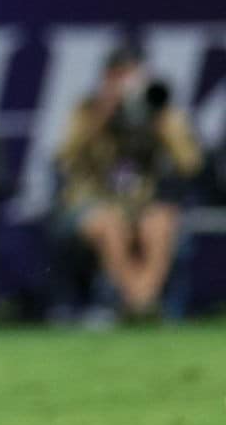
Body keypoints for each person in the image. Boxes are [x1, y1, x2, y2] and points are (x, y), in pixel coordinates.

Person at [55, 46, 202, 318]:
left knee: (159, 223)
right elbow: (65, 158)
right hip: (92, 201)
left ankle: (138, 302)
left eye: (132, 75)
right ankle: (143, 304)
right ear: (107, 77)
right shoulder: (87, 109)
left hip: (141, 202)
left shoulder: (157, 109)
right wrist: (102, 115)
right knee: (110, 225)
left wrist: (161, 120)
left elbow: (190, 163)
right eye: (119, 76)